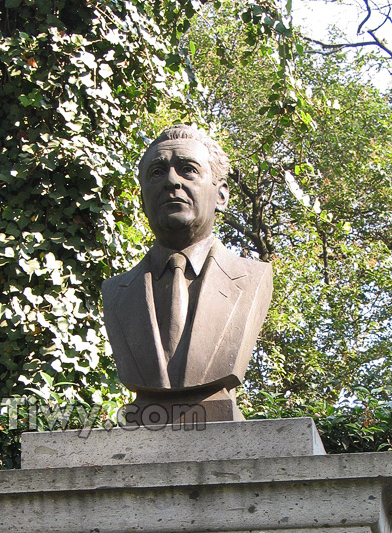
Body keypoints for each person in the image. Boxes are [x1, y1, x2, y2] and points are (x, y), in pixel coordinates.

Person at [102, 125, 272, 422]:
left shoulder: (252, 279)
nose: (171, 181)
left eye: (188, 170)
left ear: (220, 196)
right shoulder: (116, 293)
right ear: (142, 197)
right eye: (156, 172)